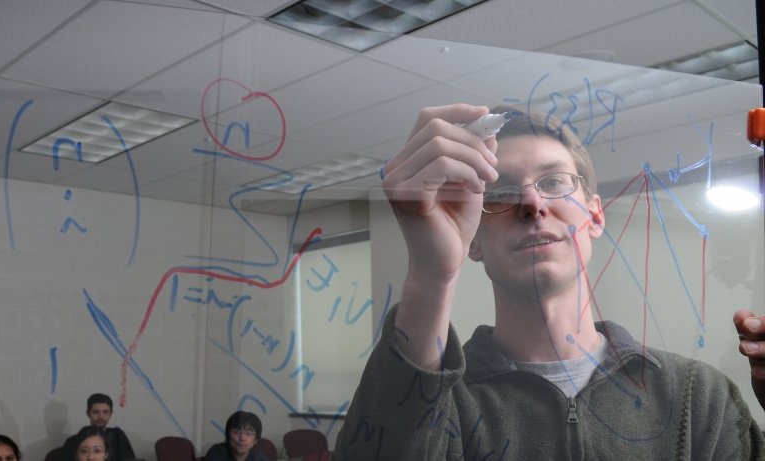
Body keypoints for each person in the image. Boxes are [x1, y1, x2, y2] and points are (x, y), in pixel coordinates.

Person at [333, 103, 765, 459]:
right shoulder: (441, 406)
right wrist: (431, 271)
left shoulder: (698, 397)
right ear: (474, 240)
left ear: (595, 215)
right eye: (500, 192)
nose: (532, 204)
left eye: (554, 182)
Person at [62, 393, 136, 461]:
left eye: (105, 412)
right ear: (88, 413)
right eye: (96, 412)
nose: (101, 417)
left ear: (111, 414)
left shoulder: (118, 436)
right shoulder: (72, 441)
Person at [204, 411, 269, 461]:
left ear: (256, 440)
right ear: (228, 435)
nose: (242, 438)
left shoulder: (259, 457)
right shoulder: (216, 453)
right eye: (236, 432)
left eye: (248, 433)